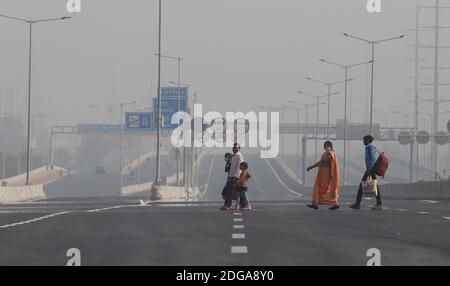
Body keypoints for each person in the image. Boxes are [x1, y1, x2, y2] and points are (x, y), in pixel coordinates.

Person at [350, 135, 383, 211]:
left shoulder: (370, 147)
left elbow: (373, 159)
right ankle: (358, 204)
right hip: (370, 169)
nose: (363, 141)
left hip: (370, 169)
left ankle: (378, 203)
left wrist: (369, 169)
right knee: (371, 186)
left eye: (364, 140)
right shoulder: (369, 147)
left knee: (364, 186)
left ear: (368, 140)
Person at [306, 141, 340, 210]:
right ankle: (316, 203)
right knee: (322, 189)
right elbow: (321, 162)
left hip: (326, 174)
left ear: (330, 146)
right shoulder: (326, 153)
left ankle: (317, 203)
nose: (325, 147)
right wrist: (311, 167)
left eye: (326, 145)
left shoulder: (330, 153)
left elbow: (331, 163)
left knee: (323, 189)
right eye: (324, 145)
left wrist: (331, 173)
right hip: (322, 174)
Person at [220, 143, 244, 210]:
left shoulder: (239, 156)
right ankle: (240, 204)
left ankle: (228, 205)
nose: (234, 148)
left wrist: (235, 176)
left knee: (229, 191)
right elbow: (230, 166)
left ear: (239, 148)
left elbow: (239, 166)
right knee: (227, 191)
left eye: (236, 147)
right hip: (230, 176)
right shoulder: (234, 156)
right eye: (233, 147)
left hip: (234, 177)